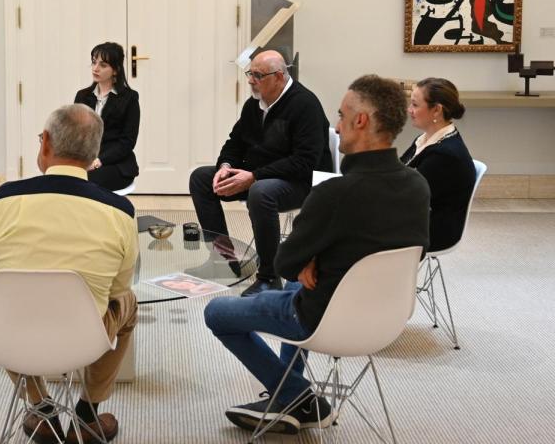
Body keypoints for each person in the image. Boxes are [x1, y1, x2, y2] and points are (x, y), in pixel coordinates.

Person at [203, 75, 430, 435]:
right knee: (294, 288)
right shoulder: (417, 185)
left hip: (323, 315)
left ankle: (297, 396)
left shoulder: (335, 192)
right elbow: (414, 253)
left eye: (340, 117)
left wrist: (312, 262)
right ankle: (285, 400)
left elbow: (285, 263)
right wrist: (316, 263)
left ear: (361, 121)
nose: (336, 128)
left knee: (217, 312)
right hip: (387, 317)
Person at [0, 104, 138, 444]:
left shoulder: (2, 200)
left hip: (8, 335)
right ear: (95, 153)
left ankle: (41, 408)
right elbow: (119, 287)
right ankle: (88, 412)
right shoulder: (120, 211)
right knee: (128, 303)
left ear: (45, 143)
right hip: (85, 339)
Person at [188, 50, 333, 297]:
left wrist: (254, 176)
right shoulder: (254, 105)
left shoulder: (305, 104)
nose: (250, 80)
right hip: (262, 175)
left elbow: (305, 161)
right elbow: (235, 142)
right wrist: (225, 167)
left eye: (257, 75)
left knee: (260, 192)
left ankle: (269, 276)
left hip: (304, 181)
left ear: (278, 76)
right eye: (250, 73)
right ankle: (223, 261)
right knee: (201, 178)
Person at [401, 77, 477, 253]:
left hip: (433, 230)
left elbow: (408, 196)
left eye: (415, 105)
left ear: (436, 110)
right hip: (418, 217)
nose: (409, 110)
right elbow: (400, 175)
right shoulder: (425, 139)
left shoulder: (445, 155)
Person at [73, 42, 140, 191]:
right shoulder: (82, 96)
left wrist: (98, 161)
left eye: (103, 65)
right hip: (85, 160)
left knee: (85, 183)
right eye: (94, 62)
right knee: (63, 179)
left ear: (115, 70)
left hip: (116, 164)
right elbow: (75, 132)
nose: (95, 68)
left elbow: (127, 142)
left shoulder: (130, 99)